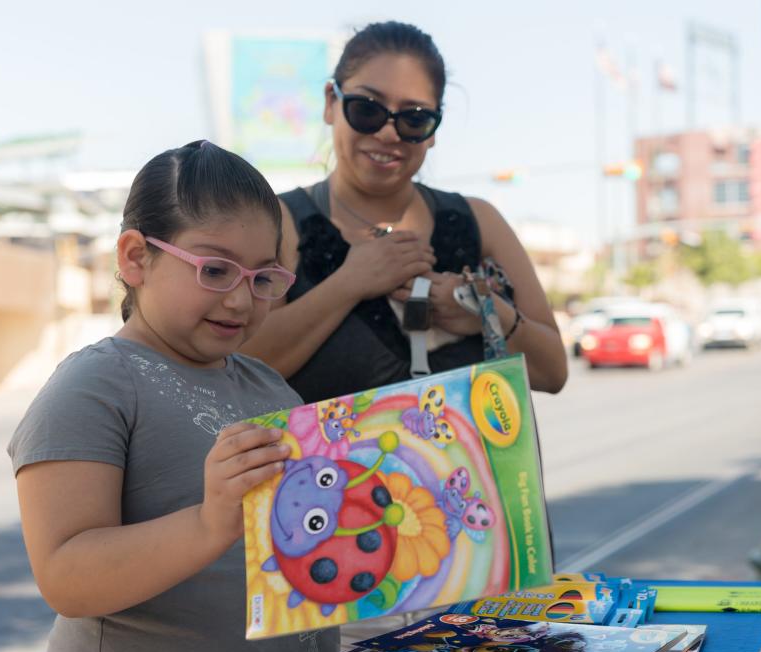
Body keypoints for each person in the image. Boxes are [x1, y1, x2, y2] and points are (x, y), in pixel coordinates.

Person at [8, 140, 340, 652]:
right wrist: (211, 522)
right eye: (215, 270)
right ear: (136, 257)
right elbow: (65, 575)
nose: (241, 301)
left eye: (263, 278)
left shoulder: (268, 387)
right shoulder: (95, 385)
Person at [241, 21, 568, 402]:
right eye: (366, 109)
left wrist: (484, 312)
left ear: (433, 129)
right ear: (331, 102)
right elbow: (240, 370)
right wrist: (350, 282)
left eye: (414, 118)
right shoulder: (278, 222)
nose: (388, 133)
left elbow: (553, 371)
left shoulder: (479, 221)